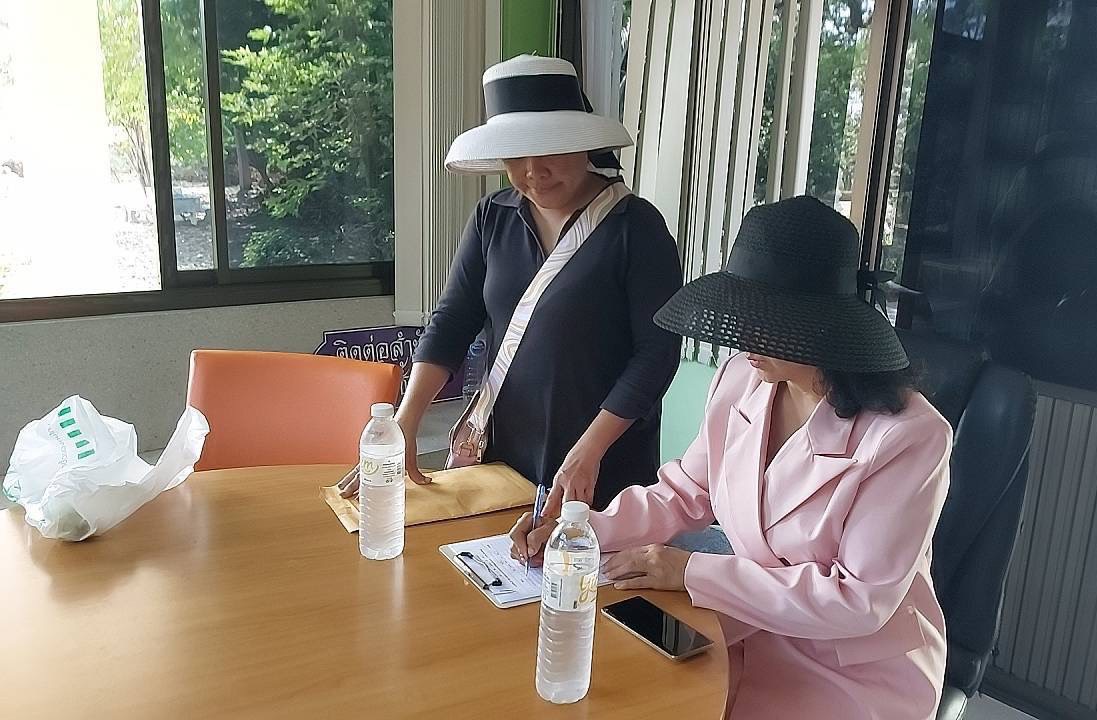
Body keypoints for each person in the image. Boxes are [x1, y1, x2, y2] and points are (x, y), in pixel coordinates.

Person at [512, 196, 953, 719]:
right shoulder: (742, 380)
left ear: (816, 322)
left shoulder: (909, 438)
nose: (742, 336)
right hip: (742, 628)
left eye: (761, 318)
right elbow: (684, 493)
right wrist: (579, 531)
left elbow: (857, 602)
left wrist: (691, 571)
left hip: (850, 673)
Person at [340, 55, 682, 511]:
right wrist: (406, 421)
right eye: (516, 154)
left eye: (550, 149)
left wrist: (590, 449)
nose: (533, 171)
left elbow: (657, 355)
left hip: (601, 460)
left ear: (583, 143)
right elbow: (453, 321)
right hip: (504, 454)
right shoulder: (494, 216)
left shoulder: (635, 228)